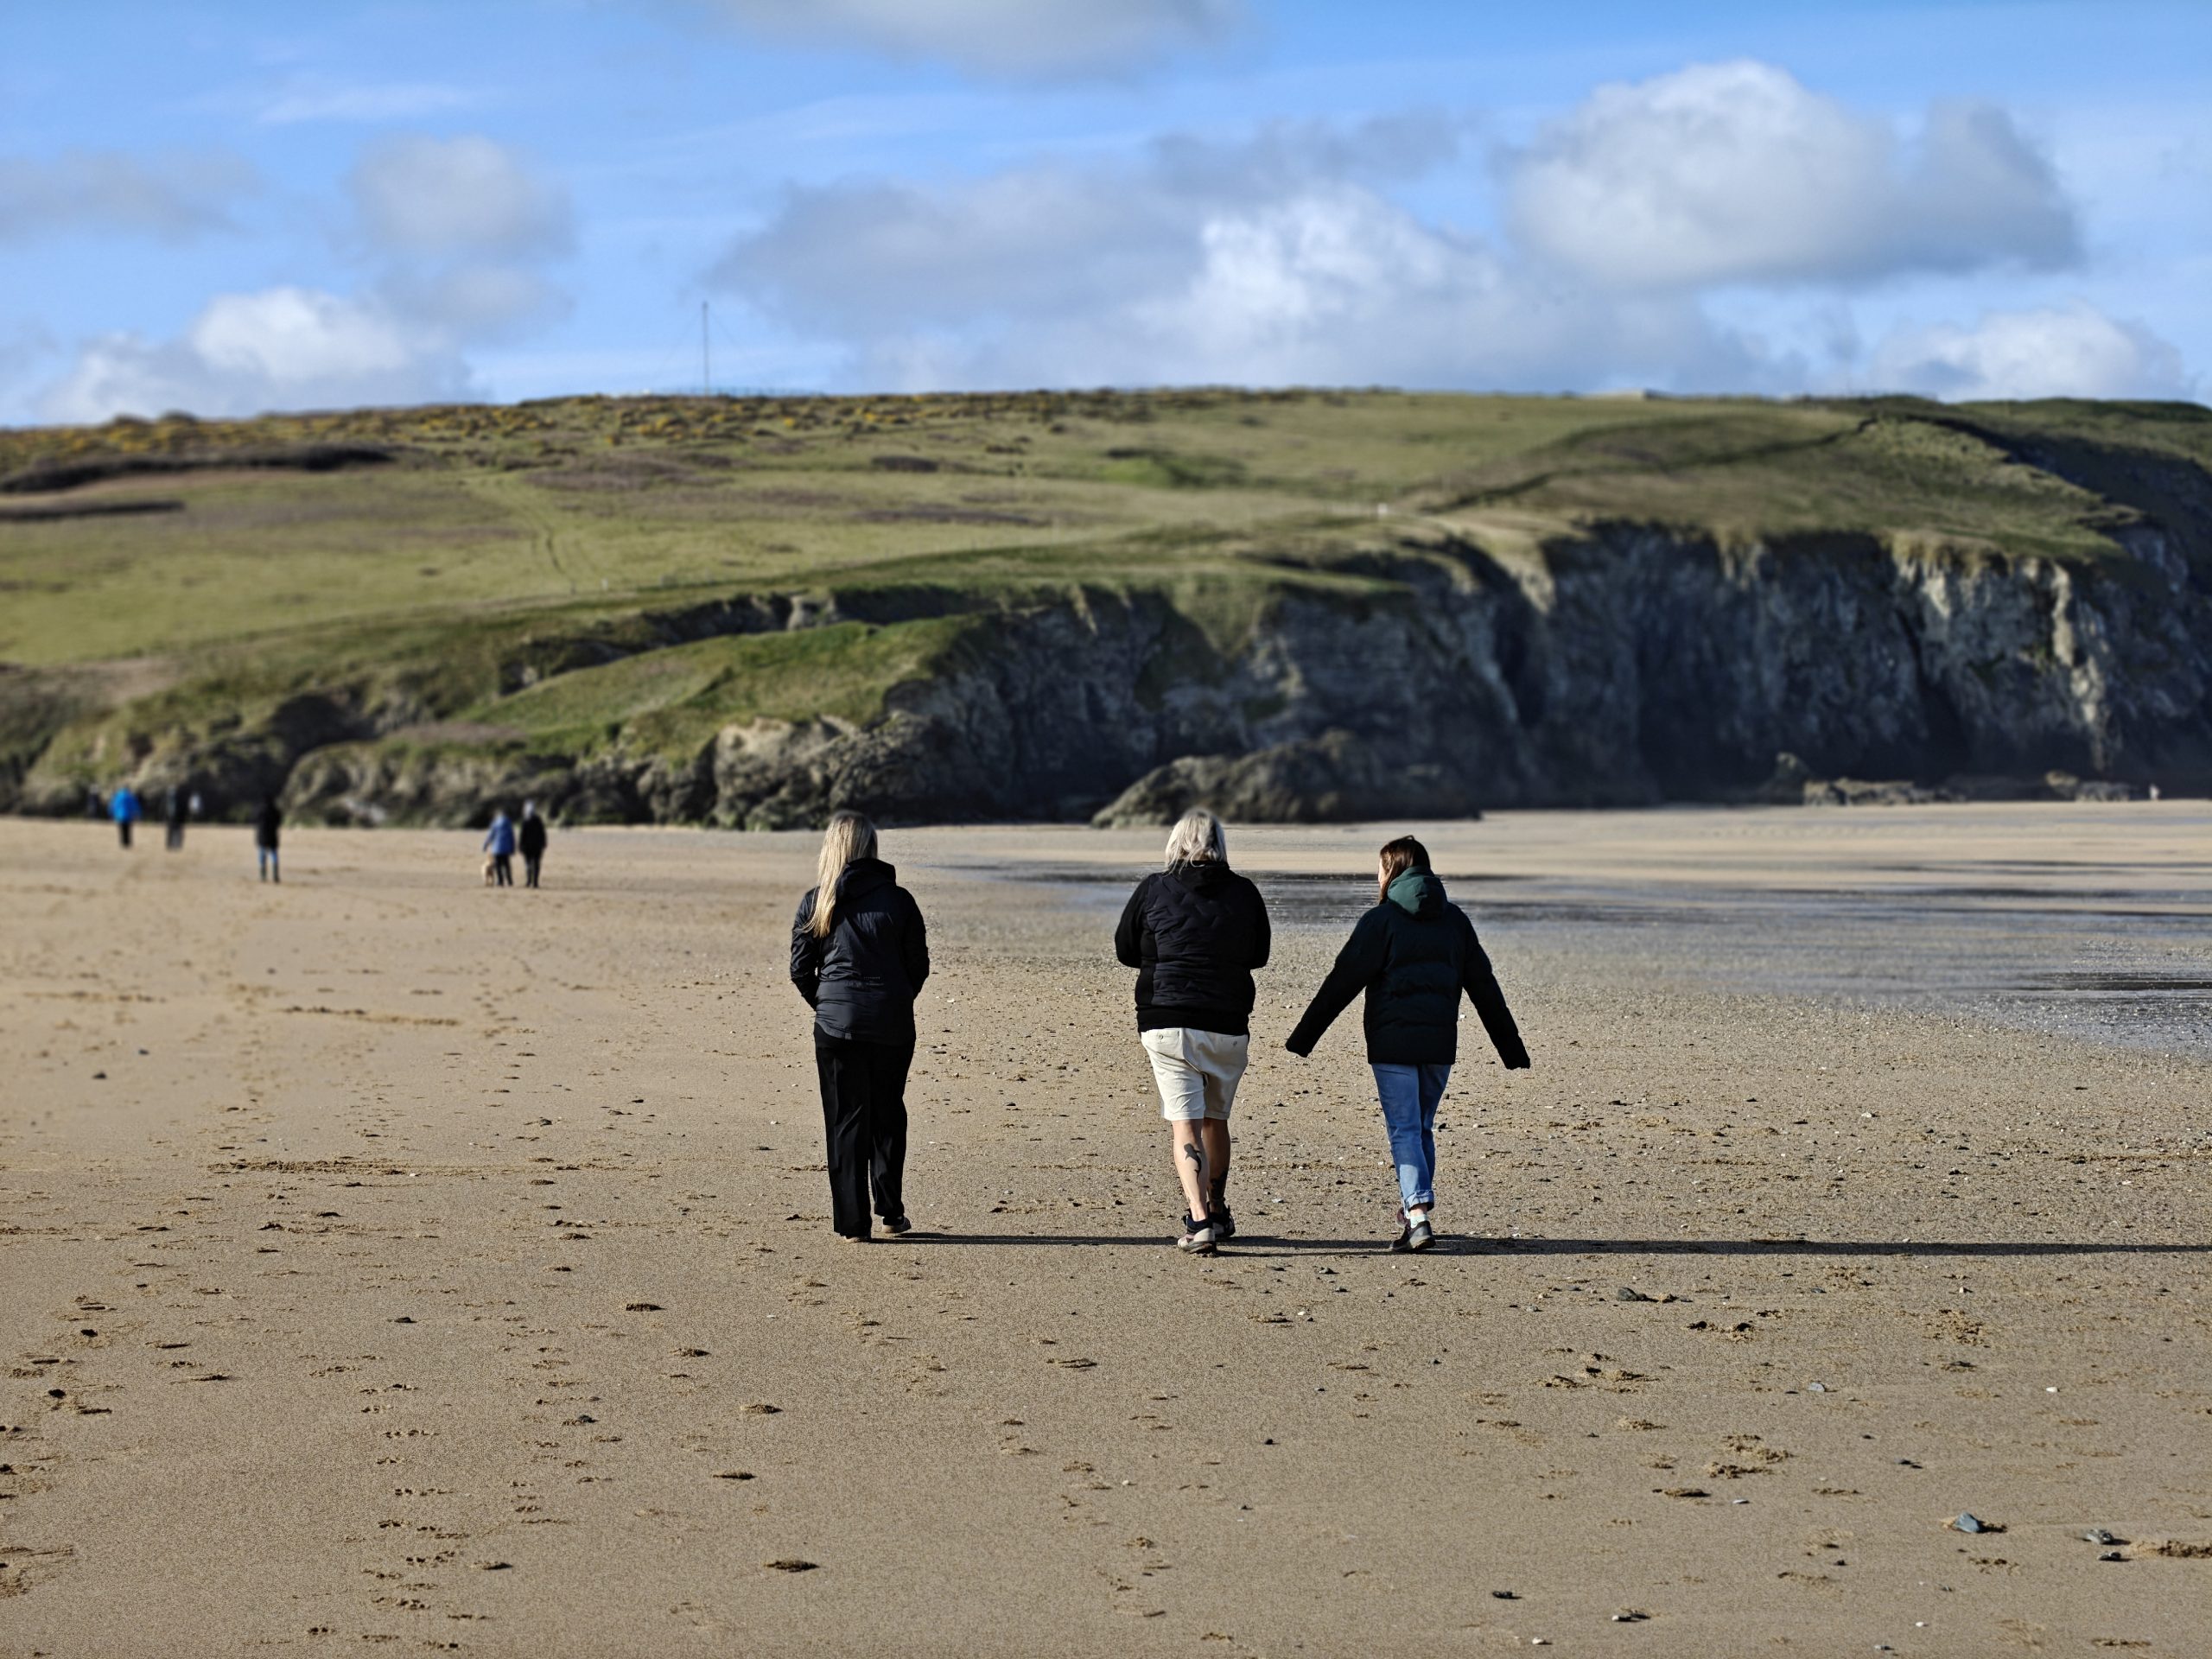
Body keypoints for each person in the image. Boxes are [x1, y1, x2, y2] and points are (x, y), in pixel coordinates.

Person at [1285, 836, 1529, 1252]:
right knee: (1419, 1127)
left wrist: (1304, 1036)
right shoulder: (1455, 921)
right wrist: (1511, 1048)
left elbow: (1341, 981)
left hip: (1392, 1043)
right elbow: (1485, 988)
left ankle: (1417, 1215)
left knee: (1404, 1129)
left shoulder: (1381, 921)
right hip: (1438, 1046)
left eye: (1380, 868)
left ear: (1391, 871)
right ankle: (1415, 1212)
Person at [1114, 807, 1271, 1255]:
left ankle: (1199, 1219)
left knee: (1185, 1121)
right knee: (1215, 1120)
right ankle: (1218, 1211)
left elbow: (1125, 949)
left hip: (1168, 1020)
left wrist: (1161, 956)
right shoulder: (1244, 892)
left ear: (1177, 843)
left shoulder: (1153, 888)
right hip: (1226, 1022)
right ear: (1220, 844)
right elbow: (1258, 955)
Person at [789, 810, 929, 1242]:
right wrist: (893, 1001)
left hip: (836, 1026)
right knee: (888, 1114)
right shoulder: (899, 900)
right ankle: (890, 1211)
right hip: (889, 1023)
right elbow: (917, 967)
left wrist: (827, 1004)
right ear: (870, 848)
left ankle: (853, 1223)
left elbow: (800, 970)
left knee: (846, 1121)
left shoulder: (818, 900)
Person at [482, 809, 517, 887]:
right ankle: (509, 880)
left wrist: (485, 845)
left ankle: (500, 881)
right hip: (506, 849)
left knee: (498, 866)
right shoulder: (508, 823)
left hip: (497, 848)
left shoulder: (494, 823)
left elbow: (490, 836)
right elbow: (511, 837)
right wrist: (513, 848)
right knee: (506, 865)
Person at [518, 802, 548, 889]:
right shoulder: (538, 820)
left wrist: (520, 845)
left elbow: (522, 835)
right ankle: (535, 882)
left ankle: (528, 881)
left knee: (528, 863)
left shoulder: (525, 820)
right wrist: (544, 843)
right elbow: (543, 833)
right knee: (536, 864)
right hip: (537, 846)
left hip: (527, 846)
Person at [255, 795, 283, 882]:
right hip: (273, 835)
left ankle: (263, 876)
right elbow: (279, 822)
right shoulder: (275, 810)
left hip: (262, 835)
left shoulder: (260, 810)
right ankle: (275, 875)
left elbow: (255, 820)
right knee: (274, 854)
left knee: (262, 854)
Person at [110, 784, 141, 849]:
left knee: (121, 830)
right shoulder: (130, 796)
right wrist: (137, 814)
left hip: (119, 816)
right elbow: (135, 806)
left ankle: (122, 843)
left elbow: (113, 805)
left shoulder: (118, 796)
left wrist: (111, 813)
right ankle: (128, 843)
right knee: (128, 830)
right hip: (129, 816)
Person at [164, 786, 188, 851]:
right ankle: (170, 845)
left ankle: (177, 845)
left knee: (177, 832)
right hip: (171, 817)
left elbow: (183, 810)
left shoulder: (179, 799)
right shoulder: (167, 799)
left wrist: (182, 819)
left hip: (177, 818)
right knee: (171, 832)